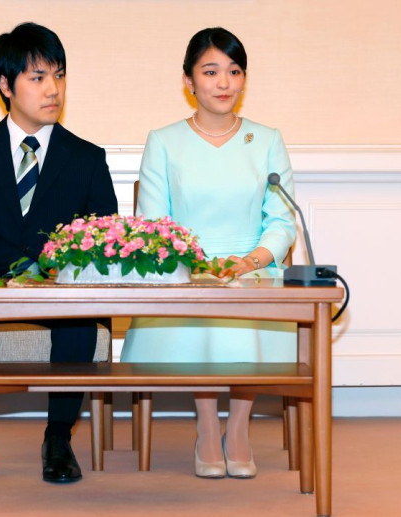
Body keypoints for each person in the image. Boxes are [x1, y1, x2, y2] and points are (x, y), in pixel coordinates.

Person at [0, 22, 118, 484]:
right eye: (38, 78)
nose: (54, 89)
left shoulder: (86, 158)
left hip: (59, 287)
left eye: (59, 74)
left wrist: (72, 270)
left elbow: (110, 240)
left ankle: (58, 438)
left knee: (76, 316)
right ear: (5, 85)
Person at [121, 27, 297, 479]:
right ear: (189, 80)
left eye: (234, 72)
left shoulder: (268, 139)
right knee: (205, 299)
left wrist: (253, 259)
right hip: (185, 271)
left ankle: (237, 426)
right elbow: (153, 225)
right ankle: (205, 424)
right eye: (211, 71)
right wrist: (198, 264)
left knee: (245, 301)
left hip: (253, 266)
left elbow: (280, 221)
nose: (224, 83)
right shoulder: (164, 141)